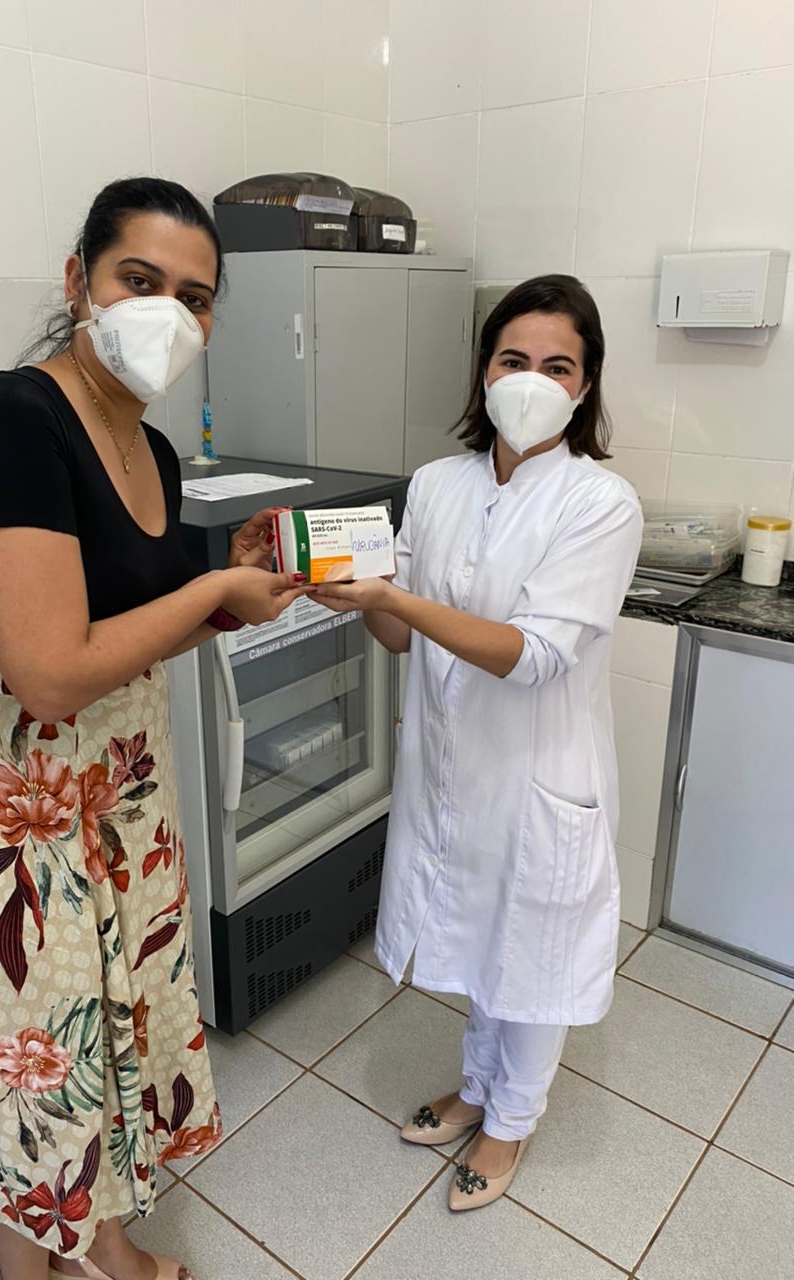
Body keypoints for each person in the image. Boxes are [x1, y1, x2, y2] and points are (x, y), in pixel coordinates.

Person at [0, 177, 308, 1280]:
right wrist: (209, 591)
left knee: (109, 1046)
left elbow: (133, 633)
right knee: (31, 1083)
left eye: (194, 297)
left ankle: (108, 1244)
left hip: (115, 806)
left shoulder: (153, 451)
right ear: (79, 279)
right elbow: (50, 673)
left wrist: (234, 587)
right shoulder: (8, 420)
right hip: (6, 828)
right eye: (139, 280)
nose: (169, 313)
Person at [311, 275, 643, 1211]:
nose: (531, 381)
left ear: (585, 385)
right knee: (481, 936)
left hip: (539, 772)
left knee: (529, 951)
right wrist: (351, 592)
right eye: (513, 359)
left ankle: (511, 1122)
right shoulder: (436, 484)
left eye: (557, 366)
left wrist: (394, 596)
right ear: (484, 371)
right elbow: (399, 635)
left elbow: (534, 656)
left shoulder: (600, 502)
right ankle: (475, 1088)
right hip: (451, 765)